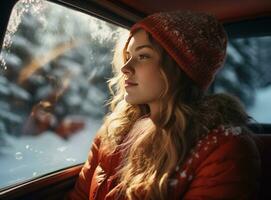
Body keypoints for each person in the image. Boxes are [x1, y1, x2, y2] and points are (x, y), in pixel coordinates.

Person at [66, 11, 261, 200]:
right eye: (128, 56)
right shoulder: (113, 131)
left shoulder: (224, 150)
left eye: (143, 56)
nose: (125, 68)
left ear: (179, 67)